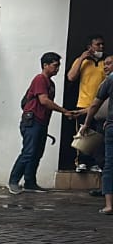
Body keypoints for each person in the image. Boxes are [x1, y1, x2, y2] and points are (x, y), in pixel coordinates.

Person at [9, 52, 74, 194]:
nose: (57, 69)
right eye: (55, 65)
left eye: (58, 66)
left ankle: (30, 182)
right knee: (28, 152)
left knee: (37, 153)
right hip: (32, 121)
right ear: (45, 65)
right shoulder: (40, 79)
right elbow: (44, 101)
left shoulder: (51, 84)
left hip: (41, 122)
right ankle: (13, 181)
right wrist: (64, 111)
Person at [79, 54, 113, 213]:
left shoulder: (109, 81)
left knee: (109, 165)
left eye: (109, 64)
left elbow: (94, 105)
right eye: (104, 64)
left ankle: (109, 205)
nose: (106, 67)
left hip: (111, 127)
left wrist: (86, 123)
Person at [66, 33, 105, 172]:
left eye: (102, 44)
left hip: (100, 106)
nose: (101, 47)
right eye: (97, 44)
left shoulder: (105, 63)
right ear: (90, 47)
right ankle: (81, 162)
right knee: (83, 133)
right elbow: (71, 77)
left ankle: (94, 162)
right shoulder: (82, 61)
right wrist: (82, 57)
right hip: (83, 103)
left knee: (97, 135)